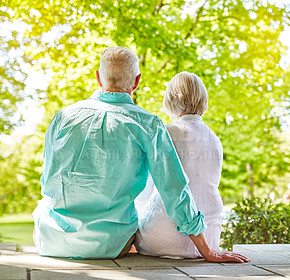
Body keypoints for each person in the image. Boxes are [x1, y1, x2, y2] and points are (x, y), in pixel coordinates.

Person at [32, 46, 249, 263]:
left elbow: (48, 180)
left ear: (99, 78)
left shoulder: (62, 117)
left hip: (50, 239)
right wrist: (207, 250)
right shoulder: (148, 124)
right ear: (136, 81)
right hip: (110, 244)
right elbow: (174, 189)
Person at [134, 72, 224, 258]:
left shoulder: (165, 133)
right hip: (209, 237)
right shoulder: (214, 139)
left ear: (170, 100)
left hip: (161, 239)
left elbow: (145, 191)